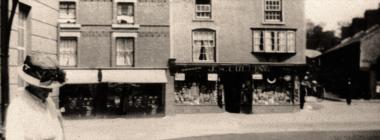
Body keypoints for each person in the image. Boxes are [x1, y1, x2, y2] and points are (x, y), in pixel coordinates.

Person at [5, 54, 66, 140]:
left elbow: (58, 133)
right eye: (44, 88)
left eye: (50, 88)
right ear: (32, 84)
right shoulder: (18, 107)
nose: (49, 91)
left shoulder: (49, 102)